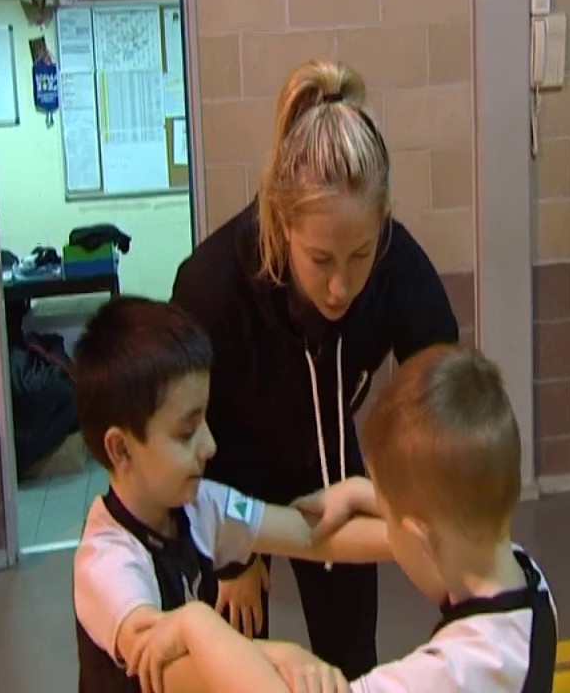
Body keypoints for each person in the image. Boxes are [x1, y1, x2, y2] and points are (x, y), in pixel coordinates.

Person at [169, 59, 459, 678]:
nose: (340, 285)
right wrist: (232, 557)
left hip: (330, 466)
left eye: (359, 255)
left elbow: (445, 393)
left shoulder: (397, 264)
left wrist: (425, 501)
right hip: (230, 478)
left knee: (351, 655)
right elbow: (182, 433)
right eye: (320, 257)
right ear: (281, 221)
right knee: (237, 661)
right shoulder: (211, 286)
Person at [128, 343, 559, 693]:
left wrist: (197, 623)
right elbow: (452, 515)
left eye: (388, 519)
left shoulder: (453, 673)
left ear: (421, 537)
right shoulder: (525, 581)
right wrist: (364, 493)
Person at [70, 295, 442, 693]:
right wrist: (283, 658)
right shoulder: (107, 564)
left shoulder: (199, 505)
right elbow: (168, 667)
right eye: (186, 432)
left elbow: (311, 534)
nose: (210, 445)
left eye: (206, 422)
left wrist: (423, 535)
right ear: (121, 449)